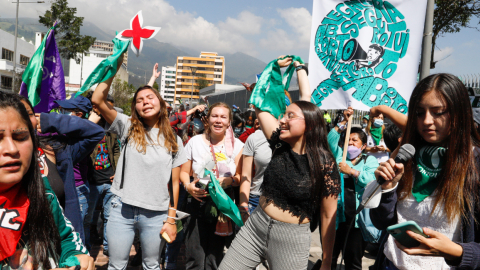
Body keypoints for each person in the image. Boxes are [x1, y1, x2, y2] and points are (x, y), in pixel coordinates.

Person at [219, 56, 339, 270]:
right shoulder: (278, 143)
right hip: (255, 227)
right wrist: (272, 68)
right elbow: (260, 102)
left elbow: (328, 214)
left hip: (291, 241)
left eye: (289, 116)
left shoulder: (325, 164)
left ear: (310, 124)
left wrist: (327, 261)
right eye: (283, 114)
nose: (282, 119)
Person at [370, 73, 480, 270]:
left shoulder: (475, 163)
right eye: (419, 113)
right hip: (391, 264)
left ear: (460, 113)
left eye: (438, 112)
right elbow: (382, 223)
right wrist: (387, 189)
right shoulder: (405, 154)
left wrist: (458, 252)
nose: (427, 121)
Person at [92, 57, 187, 270]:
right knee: (116, 265)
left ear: (161, 103)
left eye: (150, 97)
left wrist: (171, 219)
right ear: (135, 107)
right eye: (140, 99)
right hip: (121, 209)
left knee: (151, 264)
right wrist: (116, 65)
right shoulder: (128, 126)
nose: (145, 101)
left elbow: (174, 184)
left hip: (156, 213)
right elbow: (98, 100)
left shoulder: (174, 139)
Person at [0, 92, 94, 270]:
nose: (11, 149)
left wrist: (76, 258)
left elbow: (66, 237)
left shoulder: (43, 189)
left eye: (20, 137)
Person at [179, 102, 244, 270]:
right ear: (207, 119)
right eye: (215, 116)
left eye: (223, 117)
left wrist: (231, 180)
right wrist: (188, 186)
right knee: (195, 257)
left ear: (229, 122)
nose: (218, 120)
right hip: (197, 201)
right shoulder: (195, 142)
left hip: (222, 205)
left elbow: (241, 177)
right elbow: (184, 172)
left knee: (214, 258)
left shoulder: (237, 146)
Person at [327, 107, 379, 270]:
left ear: (363, 146)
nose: (350, 143)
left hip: (357, 221)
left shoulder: (369, 161)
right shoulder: (339, 156)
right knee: (329, 258)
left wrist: (351, 171)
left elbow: (371, 180)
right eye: (348, 140)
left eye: (355, 140)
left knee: (353, 261)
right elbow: (329, 141)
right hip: (336, 218)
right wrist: (342, 122)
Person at [83, 96, 121, 252]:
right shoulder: (86, 127)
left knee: (109, 218)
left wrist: (117, 171)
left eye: (109, 108)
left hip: (109, 181)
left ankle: (107, 247)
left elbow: (116, 150)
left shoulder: (112, 129)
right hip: (92, 182)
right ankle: (85, 246)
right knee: (87, 218)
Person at [55, 96, 95, 222]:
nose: (61, 112)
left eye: (65, 109)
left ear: (78, 114)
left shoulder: (85, 136)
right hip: (59, 187)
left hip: (76, 190)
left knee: (73, 234)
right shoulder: (64, 129)